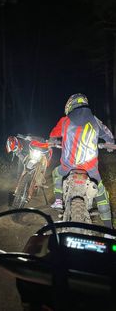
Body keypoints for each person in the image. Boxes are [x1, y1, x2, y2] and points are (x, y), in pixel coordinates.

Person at [49, 93, 115, 228]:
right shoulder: (95, 120)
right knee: (101, 192)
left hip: (68, 167)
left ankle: (58, 201)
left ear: (70, 105)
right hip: (90, 170)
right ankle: (109, 229)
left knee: (56, 173)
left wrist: (53, 141)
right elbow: (108, 135)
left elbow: (52, 135)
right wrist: (109, 144)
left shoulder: (65, 121)